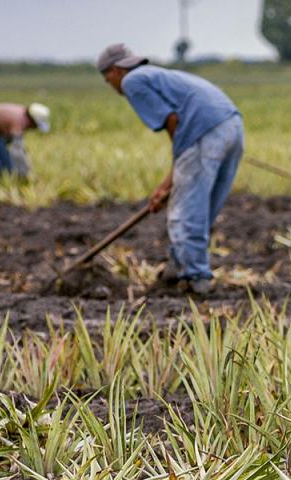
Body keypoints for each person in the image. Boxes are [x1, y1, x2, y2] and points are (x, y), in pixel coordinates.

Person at [96, 43, 244, 296]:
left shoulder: (133, 81)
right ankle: (177, 267)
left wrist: (169, 183)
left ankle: (195, 277)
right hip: (231, 125)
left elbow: (172, 122)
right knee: (202, 207)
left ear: (117, 70)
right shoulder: (157, 74)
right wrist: (169, 183)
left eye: (106, 77)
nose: (109, 84)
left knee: (186, 210)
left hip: (202, 133)